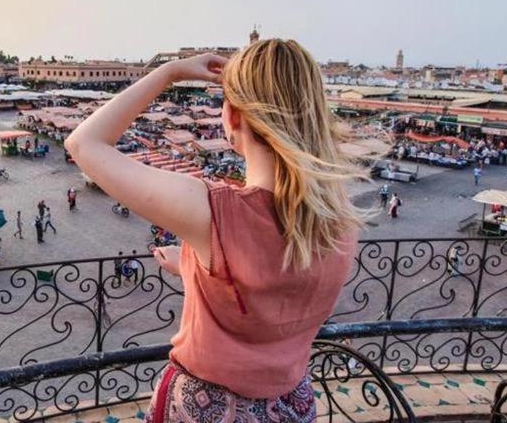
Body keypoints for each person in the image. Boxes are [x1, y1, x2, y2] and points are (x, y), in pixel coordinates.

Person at [64, 44, 361, 421]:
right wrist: (191, 264)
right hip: (292, 404)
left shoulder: (215, 211)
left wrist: (168, 72)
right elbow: (269, 289)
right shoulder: (341, 220)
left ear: (234, 116)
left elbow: (83, 143)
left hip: (208, 409)